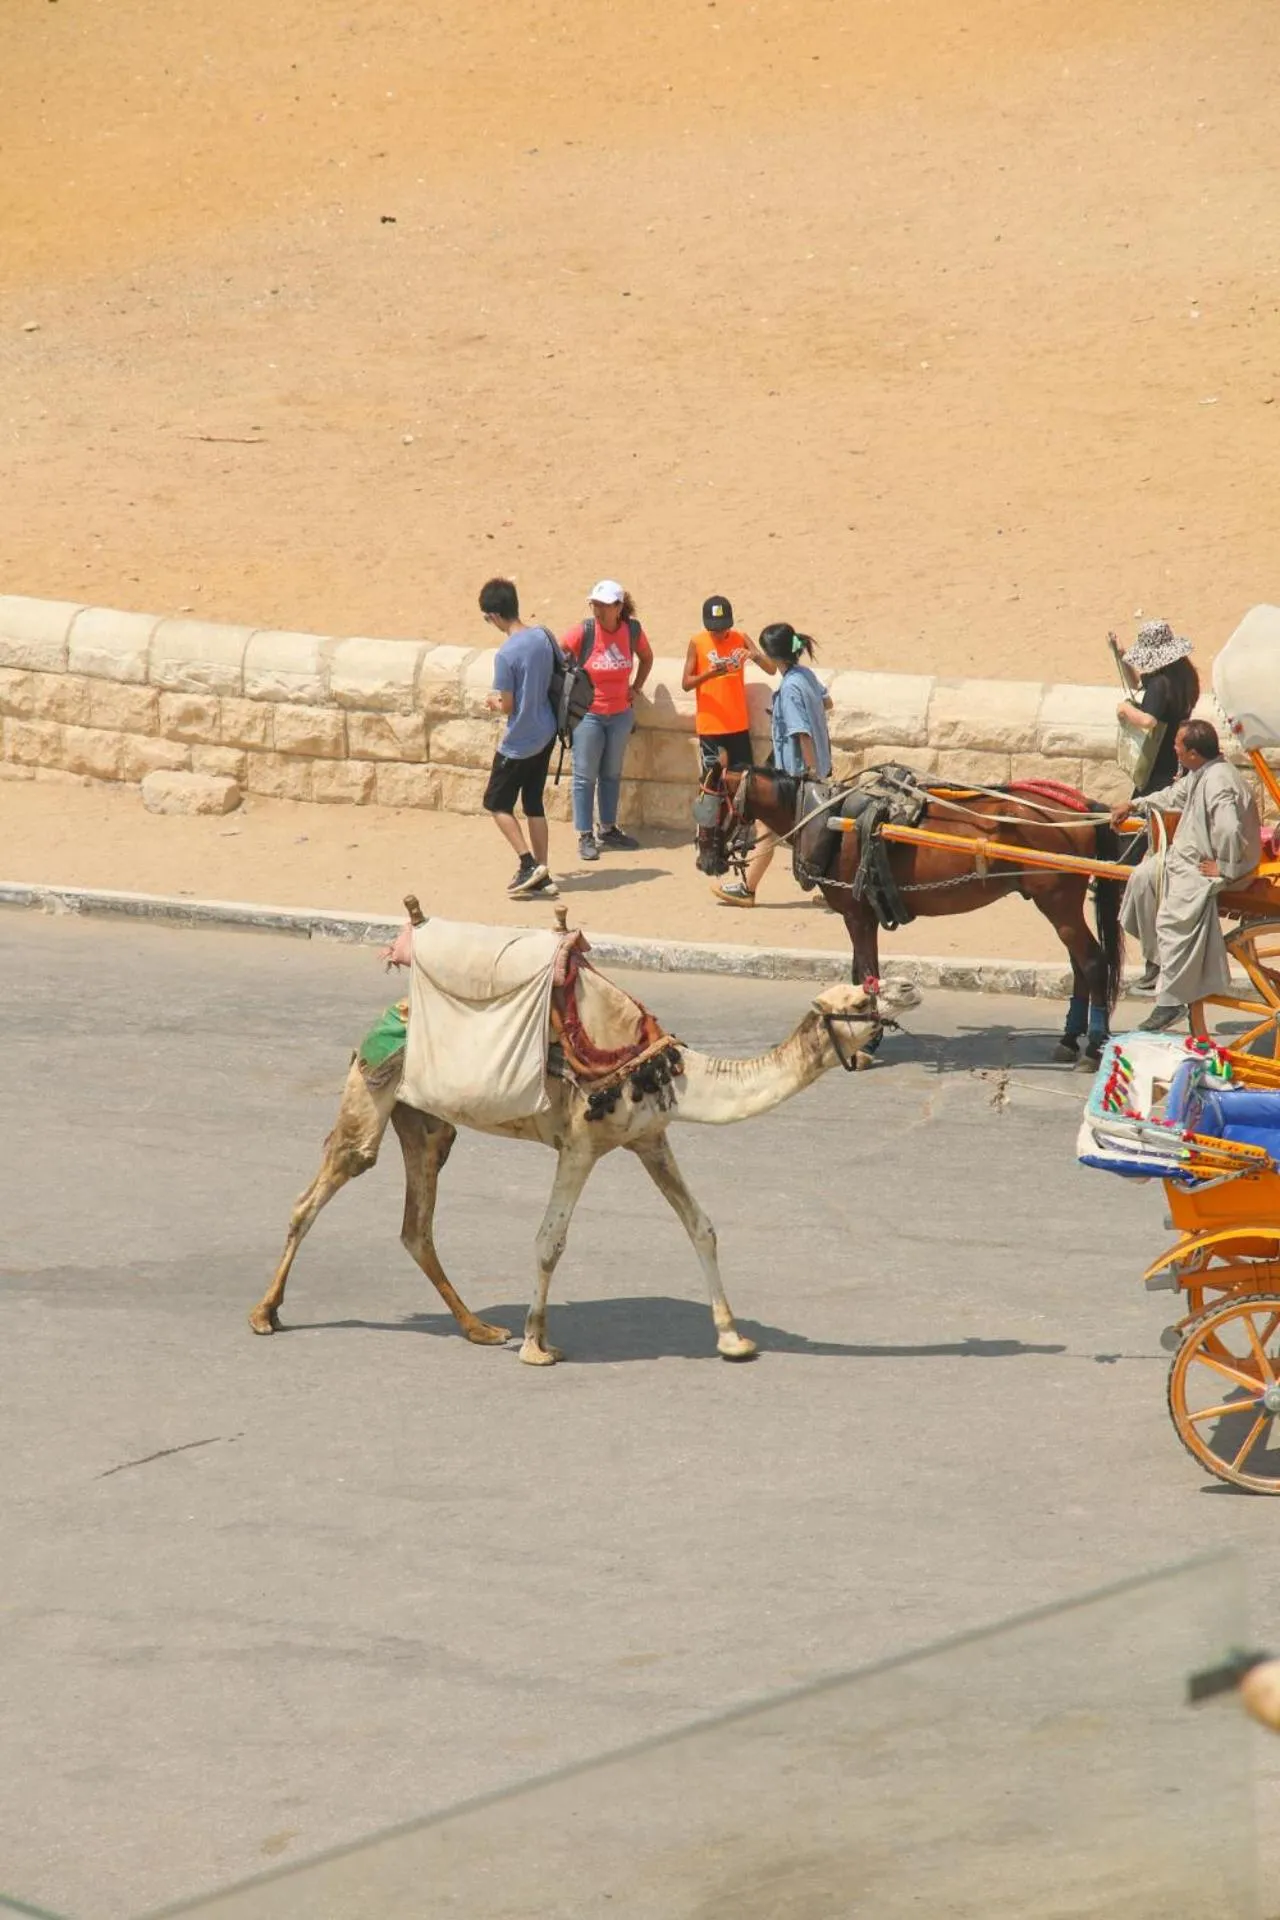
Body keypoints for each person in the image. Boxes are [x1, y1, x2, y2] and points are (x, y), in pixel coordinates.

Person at [1109, 718, 1261, 1032]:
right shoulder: (1200, 773)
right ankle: (1157, 963)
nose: (1174, 749)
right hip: (1184, 857)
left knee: (1171, 920)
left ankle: (1171, 1002)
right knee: (1143, 879)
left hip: (1206, 866)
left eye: (1178, 745)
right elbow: (1172, 797)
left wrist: (1228, 868)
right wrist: (1134, 804)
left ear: (1192, 753)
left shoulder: (1218, 781)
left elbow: (1231, 828)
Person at [713, 622, 833, 908]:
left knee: (766, 826)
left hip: (795, 772)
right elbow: (827, 703)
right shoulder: (805, 675)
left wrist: (810, 770)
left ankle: (746, 889)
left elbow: (800, 732)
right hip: (818, 765)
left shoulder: (790, 687)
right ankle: (830, 891)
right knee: (809, 830)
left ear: (775, 656)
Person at [1112, 620, 1201, 991]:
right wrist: (1119, 657)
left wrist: (1123, 712)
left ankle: (1154, 963)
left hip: (1157, 782)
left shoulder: (1161, 686)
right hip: (1172, 774)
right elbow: (1140, 685)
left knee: (1146, 874)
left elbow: (1146, 716)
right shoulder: (1181, 681)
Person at [560, 579, 653, 864]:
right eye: (595, 605)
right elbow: (558, 657)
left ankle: (608, 828)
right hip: (589, 716)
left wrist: (635, 688)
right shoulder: (584, 632)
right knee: (585, 776)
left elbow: (646, 658)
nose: (597, 611)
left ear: (618, 607)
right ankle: (585, 834)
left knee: (611, 773)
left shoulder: (632, 630)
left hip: (620, 715)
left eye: (603, 605)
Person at [477, 577, 559, 898]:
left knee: (496, 803)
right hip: (546, 731)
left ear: (496, 616)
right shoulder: (542, 636)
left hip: (519, 741)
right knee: (534, 803)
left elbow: (507, 704)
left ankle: (527, 863)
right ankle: (543, 873)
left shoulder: (505, 655)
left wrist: (493, 702)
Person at [681, 593, 777, 771]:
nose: (718, 633)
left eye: (722, 628)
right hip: (711, 726)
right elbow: (686, 683)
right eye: (714, 630)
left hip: (738, 725)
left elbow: (771, 669)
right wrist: (709, 675)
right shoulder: (697, 642)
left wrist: (754, 655)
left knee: (744, 782)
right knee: (713, 785)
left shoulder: (740, 638)